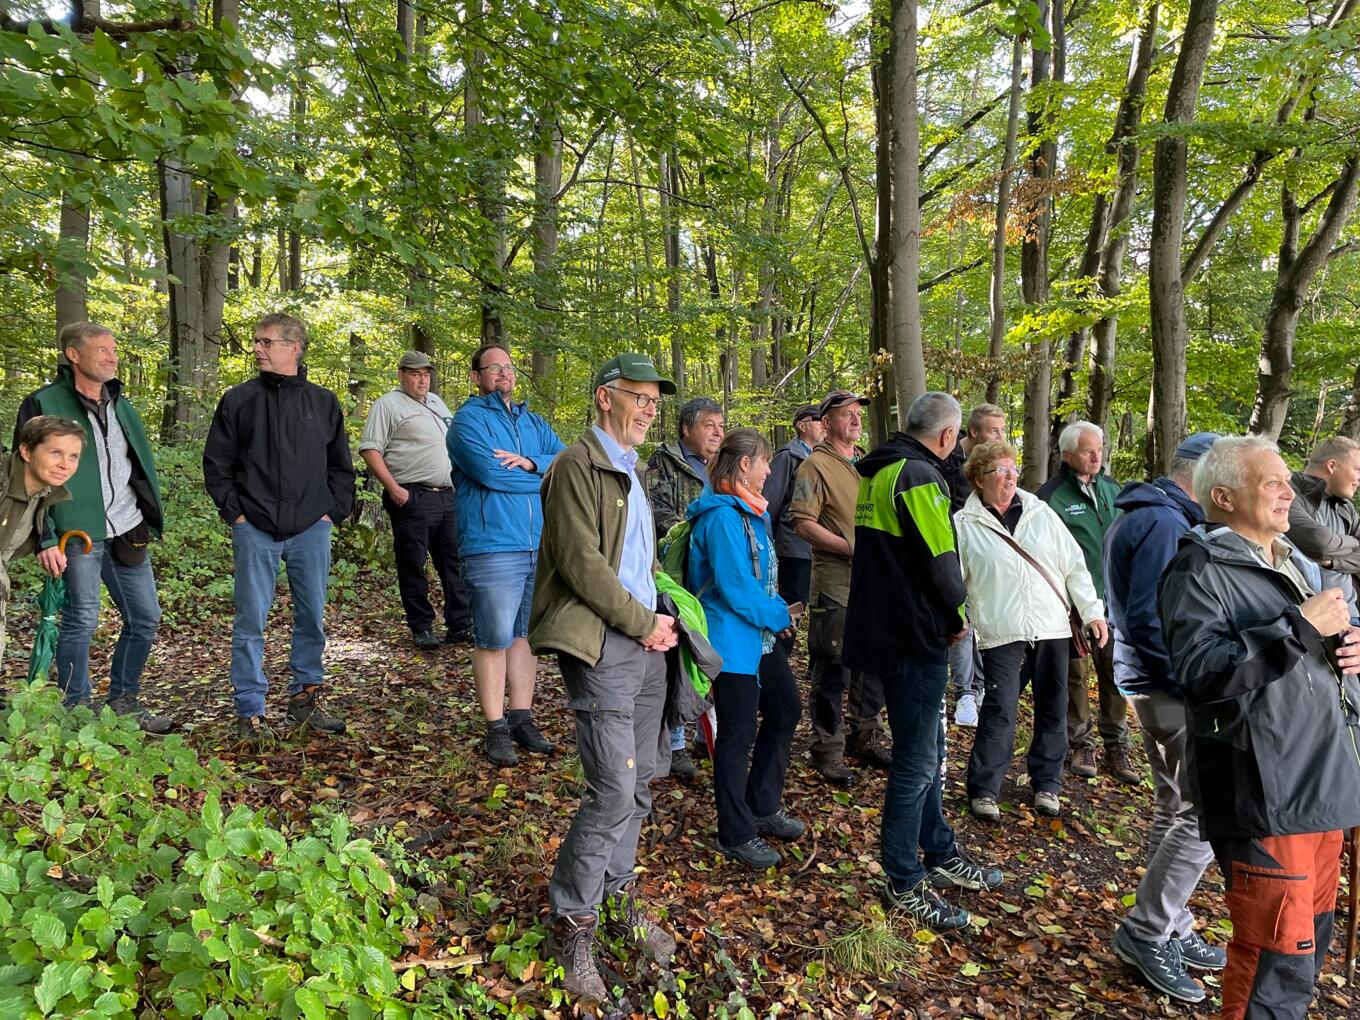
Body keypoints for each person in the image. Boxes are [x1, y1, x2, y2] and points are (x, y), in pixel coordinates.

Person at [1159, 435, 1360, 1020]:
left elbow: (1319, 652)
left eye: (1286, 481)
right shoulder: (1197, 568)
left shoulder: (1293, 560)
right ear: (1222, 496)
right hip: (1265, 788)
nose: (1287, 492)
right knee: (1276, 954)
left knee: (1309, 944)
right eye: (1271, 482)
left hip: (1322, 780)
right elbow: (1202, 674)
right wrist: (1298, 626)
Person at [530, 352, 679, 1005]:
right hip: (604, 643)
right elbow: (582, 565)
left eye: (655, 400)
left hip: (645, 642)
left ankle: (616, 898)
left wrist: (664, 618)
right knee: (613, 790)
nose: (650, 408)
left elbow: (639, 564)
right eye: (638, 397)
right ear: (603, 398)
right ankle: (572, 924)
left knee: (642, 781)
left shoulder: (630, 471)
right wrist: (640, 621)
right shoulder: (574, 467)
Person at [844, 392, 1003, 931]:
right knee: (916, 760)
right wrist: (957, 613)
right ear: (946, 436)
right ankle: (902, 876)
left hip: (886, 630)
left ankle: (937, 849)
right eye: (958, 438)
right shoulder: (916, 476)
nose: (958, 446)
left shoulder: (880, 470)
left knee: (928, 750)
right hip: (912, 637)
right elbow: (939, 558)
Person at [1104, 432, 1226, 1003]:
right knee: (1203, 812)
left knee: (1175, 806)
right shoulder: (1161, 523)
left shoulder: (1155, 514)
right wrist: (1193, 680)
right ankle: (1149, 930)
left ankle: (1170, 923)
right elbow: (1152, 618)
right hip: (1166, 686)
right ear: (1198, 474)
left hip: (1149, 681)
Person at [203, 312, 356, 744]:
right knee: (251, 619)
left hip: (311, 527)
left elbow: (341, 468)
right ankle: (249, 709)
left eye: (267, 342)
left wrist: (332, 512)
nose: (258, 348)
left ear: (295, 347)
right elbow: (217, 465)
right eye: (257, 341)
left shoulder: (323, 402)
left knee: (312, 617)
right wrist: (236, 512)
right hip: (255, 526)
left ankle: (305, 699)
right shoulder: (239, 400)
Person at [16, 322, 171, 731]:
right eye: (101, 350)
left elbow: (135, 465)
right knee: (81, 620)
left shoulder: (121, 403)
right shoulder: (43, 403)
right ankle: (77, 710)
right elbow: (26, 475)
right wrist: (45, 536)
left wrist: (147, 514)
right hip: (74, 532)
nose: (112, 356)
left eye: (113, 349)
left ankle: (123, 700)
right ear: (74, 354)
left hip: (127, 527)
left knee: (146, 618)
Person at [957, 440, 1108, 822]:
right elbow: (955, 580)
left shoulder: (1041, 513)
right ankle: (985, 789)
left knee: (1053, 710)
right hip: (1001, 632)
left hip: (1051, 627)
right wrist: (955, 617)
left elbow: (1075, 566)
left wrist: (1092, 612)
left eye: (1012, 469)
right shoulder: (963, 524)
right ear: (978, 479)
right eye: (998, 472)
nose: (1009, 478)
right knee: (999, 710)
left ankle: (1047, 785)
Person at [687, 428, 804, 870]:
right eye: (765, 462)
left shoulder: (751, 513)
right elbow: (735, 588)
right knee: (737, 735)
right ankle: (735, 832)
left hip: (758, 638)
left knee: (785, 710)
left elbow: (760, 582)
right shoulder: (720, 517)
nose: (770, 470)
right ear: (743, 466)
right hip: (730, 643)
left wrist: (778, 614)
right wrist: (779, 616)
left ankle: (761, 804)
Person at [447, 344, 565, 766]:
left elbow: (565, 462)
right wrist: (539, 478)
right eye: (492, 367)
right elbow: (490, 474)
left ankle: (521, 717)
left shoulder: (534, 423)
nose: (502, 372)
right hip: (492, 545)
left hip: (539, 544)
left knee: (524, 636)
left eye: (508, 366)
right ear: (477, 377)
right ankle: (495, 727)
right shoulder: (467, 422)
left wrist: (532, 464)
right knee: (494, 637)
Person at [789, 389, 888, 783]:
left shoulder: (866, 462)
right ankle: (827, 748)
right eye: (845, 414)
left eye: (857, 414)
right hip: (835, 585)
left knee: (872, 666)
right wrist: (847, 546)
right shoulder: (815, 467)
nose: (855, 419)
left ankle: (864, 735)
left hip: (872, 586)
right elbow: (802, 522)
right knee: (832, 669)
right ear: (826, 423)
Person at [1036, 421, 1135, 784]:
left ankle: (1117, 745)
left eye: (1100, 448)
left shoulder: (1113, 489)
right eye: (1088, 451)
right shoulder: (1050, 496)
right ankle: (1080, 742)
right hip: (1070, 605)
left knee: (1115, 673)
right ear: (1066, 455)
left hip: (1114, 601)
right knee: (1075, 677)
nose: (1097, 457)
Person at [358, 350, 472, 650]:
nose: (422, 380)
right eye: (415, 374)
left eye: (426, 374)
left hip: (447, 496)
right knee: (413, 563)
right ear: (401, 375)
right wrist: (395, 489)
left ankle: (460, 624)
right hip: (413, 495)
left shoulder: (436, 402)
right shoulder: (388, 405)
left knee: (454, 562)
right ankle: (421, 626)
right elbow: (371, 450)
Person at [643, 395, 725, 779]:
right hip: (676, 577)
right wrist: (693, 532)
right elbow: (656, 512)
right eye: (709, 425)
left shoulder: (721, 467)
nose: (717, 432)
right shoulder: (663, 463)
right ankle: (674, 744)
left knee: (708, 654)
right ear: (686, 428)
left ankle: (701, 734)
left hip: (710, 577)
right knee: (677, 657)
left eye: (721, 426)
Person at [939, 403, 1006, 729]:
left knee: (981, 618)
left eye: (1002, 431)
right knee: (961, 620)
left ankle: (978, 688)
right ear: (975, 431)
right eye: (994, 430)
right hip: (951, 554)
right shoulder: (946, 460)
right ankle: (964, 691)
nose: (999, 437)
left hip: (986, 553)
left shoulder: (996, 465)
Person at [1, 417, 84, 663]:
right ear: (26, 451)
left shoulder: (42, 491)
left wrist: (45, 542)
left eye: (73, 456)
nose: (65, 465)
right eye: (55, 453)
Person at [1286, 435, 1360, 618]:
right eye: (1358, 469)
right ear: (1332, 465)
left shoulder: (1345, 507)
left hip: (1351, 617)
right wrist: (1354, 542)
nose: (1359, 479)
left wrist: (1333, 562)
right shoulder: (1288, 494)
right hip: (1305, 618)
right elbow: (1321, 543)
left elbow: (1325, 551)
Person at [762, 404, 823, 609]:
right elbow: (769, 504)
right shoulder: (787, 457)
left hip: (820, 547)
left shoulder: (823, 458)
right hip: (795, 549)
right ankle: (784, 641)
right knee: (793, 607)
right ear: (803, 425)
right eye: (819, 420)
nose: (825, 425)